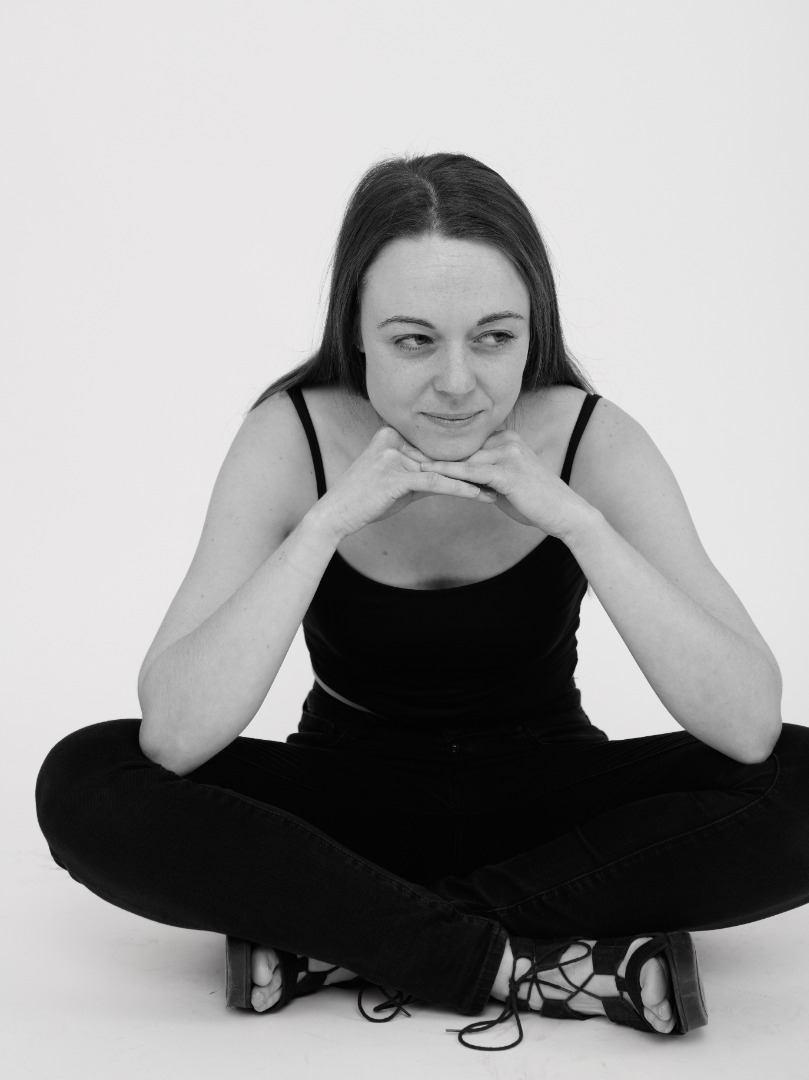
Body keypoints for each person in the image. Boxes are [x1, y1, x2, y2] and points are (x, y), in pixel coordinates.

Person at [35, 152, 809, 1052]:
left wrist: (577, 521)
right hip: (345, 805)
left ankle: (347, 941)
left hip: (546, 801)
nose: (457, 381)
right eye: (413, 341)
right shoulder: (291, 435)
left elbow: (747, 724)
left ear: (532, 329)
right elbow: (174, 734)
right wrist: (326, 523)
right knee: (87, 778)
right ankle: (522, 962)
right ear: (356, 332)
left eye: (494, 338)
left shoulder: (590, 436)